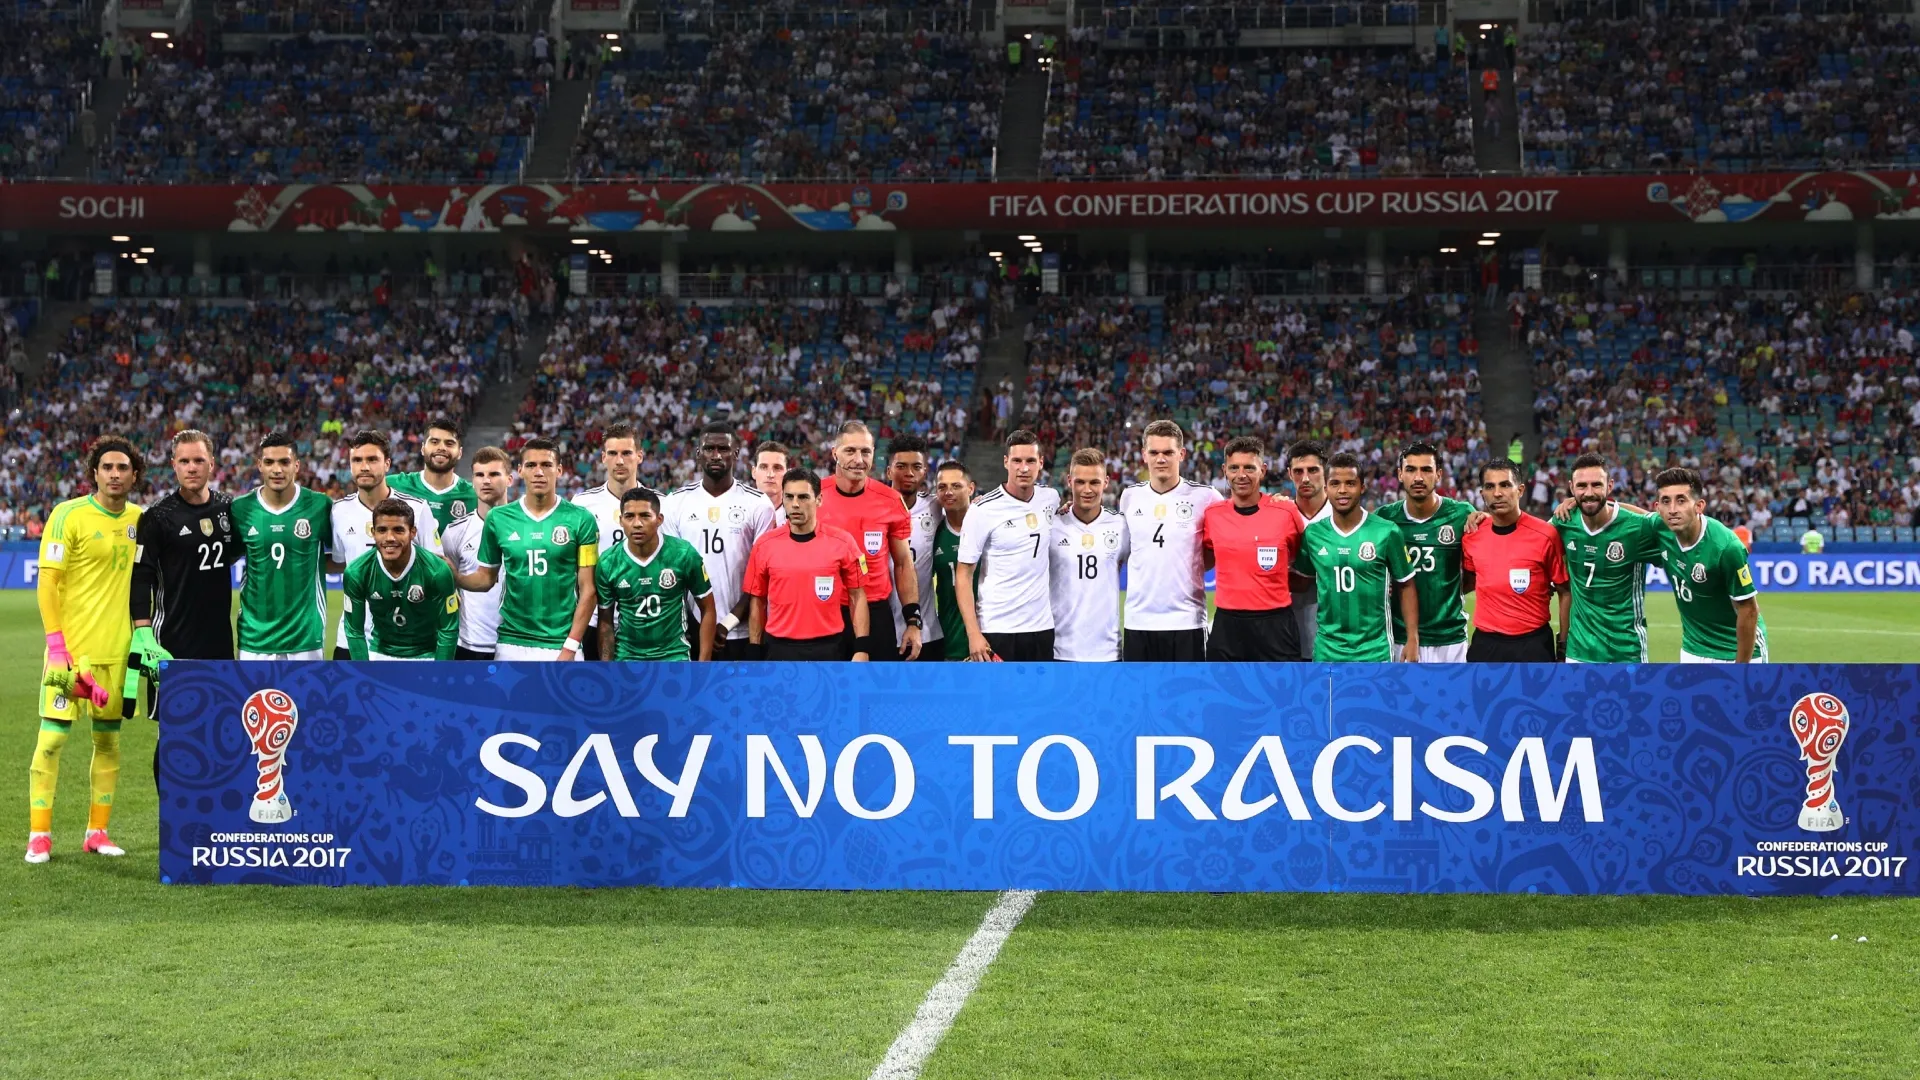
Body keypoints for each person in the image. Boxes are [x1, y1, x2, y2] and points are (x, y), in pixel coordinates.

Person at [26, 436, 142, 864]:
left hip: (116, 653)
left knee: (108, 743)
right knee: (52, 739)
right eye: (107, 467)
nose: (115, 474)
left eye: (123, 468)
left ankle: (97, 832)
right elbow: (47, 583)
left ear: (134, 475)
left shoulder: (139, 520)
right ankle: (39, 835)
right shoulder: (67, 515)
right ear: (94, 471)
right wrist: (56, 646)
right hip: (70, 656)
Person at [455, 438, 600, 661]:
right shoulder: (498, 519)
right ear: (521, 471)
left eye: (546, 465)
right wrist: (455, 577)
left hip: (561, 643)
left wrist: (571, 646)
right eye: (531, 466)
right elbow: (485, 579)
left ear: (559, 470)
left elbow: (588, 589)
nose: (539, 472)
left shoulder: (582, 519)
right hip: (511, 642)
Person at [661, 423, 775, 662]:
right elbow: (673, 572)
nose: (715, 455)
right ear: (698, 454)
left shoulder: (758, 504)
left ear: (735, 454)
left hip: (743, 631)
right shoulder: (675, 503)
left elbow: (760, 577)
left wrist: (727, 623)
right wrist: (698, 625)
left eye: (722, 449)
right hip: (688, 630)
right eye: (709, 448)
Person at [1297, 452, 1418, 662]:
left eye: (1350, 483)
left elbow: (1406, 585)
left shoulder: (1387, 532)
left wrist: (1412, 639)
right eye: (1335, 483)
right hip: (1327, 649)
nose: (1342, 490)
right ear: (1326, 488)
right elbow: (1301, 580)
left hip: (1375, 650)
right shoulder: (1313, 534)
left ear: (1362, 487)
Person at [329, 430, 440, 660]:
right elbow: (341, 561)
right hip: (351, 637)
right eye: (357, 460)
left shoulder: (417, 510)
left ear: (387, 463)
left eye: (372, 459)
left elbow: (437, 569)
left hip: (405, 644)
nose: (364, 466)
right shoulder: (339, 511)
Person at [1118, 420, 1223, 662]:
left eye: (1168, 452)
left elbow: (1234, 527)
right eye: (1154, 452)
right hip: (1138, 620)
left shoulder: (1206, 497)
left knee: (1187, 697)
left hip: (1187, 621)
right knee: (1140, 698)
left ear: (1182, 454)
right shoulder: (1130, 497)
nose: (1161, 459)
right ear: (1144, 455)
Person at [130, 430, 236, 664]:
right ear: (173, 465)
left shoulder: (228, 508)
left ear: (211, 464)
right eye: (184, 461)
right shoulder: (157, 516)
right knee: (168, 702)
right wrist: (143, 631)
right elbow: (140, 577)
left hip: (219, 641)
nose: (192, 468)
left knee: (220, 701)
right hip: (171, 640)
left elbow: (236, 552)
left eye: (198, 460)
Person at [956, 429, 1062, 662]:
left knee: (1039, 697)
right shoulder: (982, 510)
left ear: (1041, 463)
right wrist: (973, 634)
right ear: (1006, 462)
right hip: (998, 627)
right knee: (999, 698)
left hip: (1041, 628)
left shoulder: (1051, 498)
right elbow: (963, 575)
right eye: (1017, 460)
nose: (1023, 468)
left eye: (1030, 461)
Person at [1200, 437, 1308, 662]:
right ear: (1224, 471)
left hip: (1275, 624)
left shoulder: (1286, 513)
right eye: (1234, 468)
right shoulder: (1212, 515)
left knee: (1282, 695)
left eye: (1249, 467)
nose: (1241, 475)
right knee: (1223, 695)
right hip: (1227, 625)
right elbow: (1206, 554)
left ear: (1263, 470)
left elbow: (1298, 558)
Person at [745, 469, 870, 661]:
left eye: (803, 497)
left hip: (829, 648)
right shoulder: (764, 545)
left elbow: (857, 596)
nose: (795, 504)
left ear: (819, 499)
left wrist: (862, 647)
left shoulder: (843, 542)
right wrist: (754, 648)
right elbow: (757, 601)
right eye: (789, 497)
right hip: (779, 649)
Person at [820, 421, 920, 660]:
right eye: (850, 451)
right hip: (825, 610)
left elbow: (904, 563)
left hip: (876, 613)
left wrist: (913, 621)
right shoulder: (814, 496)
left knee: (875, 693)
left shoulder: (891, 500)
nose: (858, 459)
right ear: (835, 453)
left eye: (866, 451)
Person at [231, 432, 333, 661]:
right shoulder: (240, 509)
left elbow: (339, 556)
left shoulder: (319, 505)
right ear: (259, 465)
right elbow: (228, 557)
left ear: (296, 465)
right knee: (255, 698)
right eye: (269, 462)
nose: (277, 470)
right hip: (255, 638)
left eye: (284, 462)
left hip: (305, 637)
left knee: (307, 699)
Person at [1551, 453, 1662, 663]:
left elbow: (1664, 524)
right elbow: (1529, 535)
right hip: (1578, 653)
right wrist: (1482, 517)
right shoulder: (1563, 522)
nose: (1589, 493)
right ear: (1571, 487)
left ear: (1610, 486)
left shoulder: (1636, 528)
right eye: (1582, 486)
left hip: (1625, 653)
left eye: (1597, 485)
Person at [1652, 467, 1768, 663]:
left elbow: (1749, 610)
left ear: (1699, 506)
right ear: (1657, 508)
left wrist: (1742, 670)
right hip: (1692, 650)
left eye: (1681, 500)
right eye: (1666, 501)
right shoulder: (1660, 529)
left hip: (1734, 652)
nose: (1672, 509)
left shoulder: (1726, 547)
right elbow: (1631, 518)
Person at [1376, 442, 1475, 663]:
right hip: (1400, 637)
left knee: (1451, 698)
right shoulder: (1384, 518)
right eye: (1411, 470)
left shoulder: (1461, 514)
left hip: (1450, 638)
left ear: (1438, 474)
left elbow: (1478, 571)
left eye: (1426, 470)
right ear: (1400, 474)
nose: (1418, 477)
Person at [1462, 461, 1569, 662]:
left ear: (1520, 490)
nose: (1497, 493)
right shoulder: (1472, 534)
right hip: (1485, 644)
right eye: (1489, 486)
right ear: (1482, 493)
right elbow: (1469, 582)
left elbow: (1565, 591)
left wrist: (1563, 643)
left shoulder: (1546, 535)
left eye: (1505, 485)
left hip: (1533, 644)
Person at [596, 487, 717, 662]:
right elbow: (605, 622)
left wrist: (703, 664)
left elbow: (708, 609)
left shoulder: (683, 554)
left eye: (645, 516)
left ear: (659, 519)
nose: (637, 523)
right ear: (621, 520)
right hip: (628, 657)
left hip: (674, 656)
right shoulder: (608, 562)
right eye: (630, 516)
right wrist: (607, 668)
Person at [341, 500, 460, 662]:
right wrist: (364, 671)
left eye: (398, 530)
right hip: (380, 654)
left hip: (427, 656)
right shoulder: (357, 572)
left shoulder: (436, 571)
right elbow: (354, 631)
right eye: (382, 530)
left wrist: (439, 673)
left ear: (412, 532)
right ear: (372, 532)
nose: (389, 538)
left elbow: (448, 630)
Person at [570, 421, 643, 662]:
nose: (619, 461)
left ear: (639, 456)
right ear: (603, 457)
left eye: (626, 453)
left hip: (643, 621)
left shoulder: (662, 504)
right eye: (613, 453)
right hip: (592, 620)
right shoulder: (582, 505)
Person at [1050, 448, 1128, 662]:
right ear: (1069, 481)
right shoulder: (1051, 526)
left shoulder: (1122, 526)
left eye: (1094, 482)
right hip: (1059, 650)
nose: (1087, 489)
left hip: (1108, 651)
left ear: (1106, 482)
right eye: (1080, 482)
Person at [440, 446, 511, 660]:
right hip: (470, 644)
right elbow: (447, 585)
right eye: (479, 475)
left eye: (494, 474)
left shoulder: (526, 527)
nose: (485, 481)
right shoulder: (455, 532)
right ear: (472, 481)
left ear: (509, 479)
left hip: (516, 643)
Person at [882, 434, 946, 663]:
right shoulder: (873, 509)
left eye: (916, 466)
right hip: (881, 632)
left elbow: (970, 510)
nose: (909, 472)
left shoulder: (936, 507)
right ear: (888, 471)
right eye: (901, 466)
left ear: (925, 472)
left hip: (926, 633)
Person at [1284, 439, 1333, 659]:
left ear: (1326, 472)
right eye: (1298, 471)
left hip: (1333, 634)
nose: (1305, 478)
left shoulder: (1345, 518)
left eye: (1313, 470)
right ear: (1289, 473)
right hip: (1286, 630)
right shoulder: (1278, 514)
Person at [387, 417, 477, 536]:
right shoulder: (392, 486)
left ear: (460, 453)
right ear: (423, 449)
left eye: (449, 443)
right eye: (434, 442)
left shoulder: (474, 496)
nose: (441, 448)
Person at [929, 460, 977, 660]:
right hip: (949, 639)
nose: (949, 492)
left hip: (992, 636)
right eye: (942, 487)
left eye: (956, 486)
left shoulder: (990, 526)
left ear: (971, 488)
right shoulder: (932, 532)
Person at [751, 441, 790, 512]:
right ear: (754, 472)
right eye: (763, 467)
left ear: (788, 474)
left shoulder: (799, 513)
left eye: (777, 468)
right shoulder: (737, 512)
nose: (770, 475)